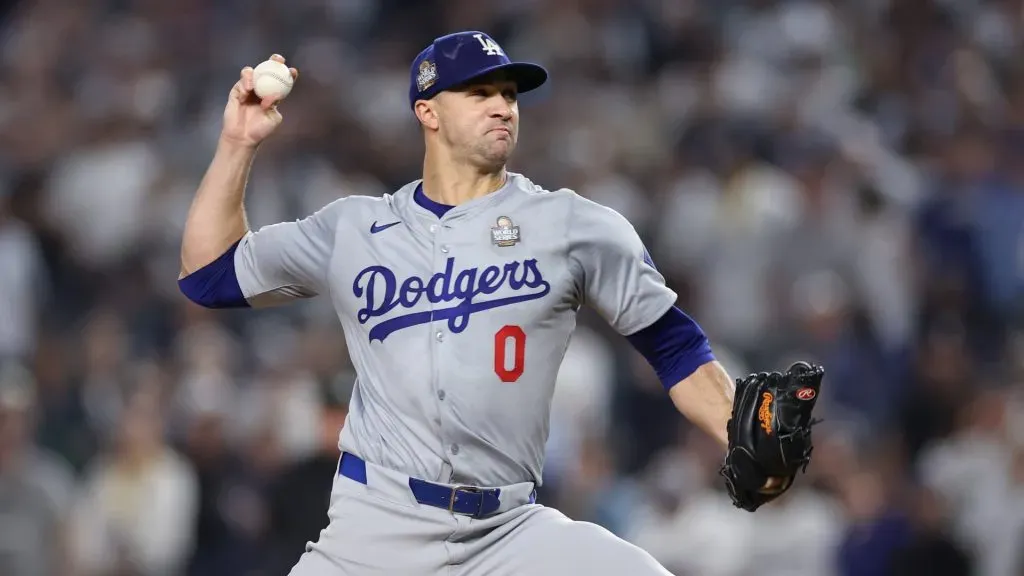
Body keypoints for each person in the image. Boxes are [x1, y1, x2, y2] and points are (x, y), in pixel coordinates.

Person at [178, 30, 771, 575]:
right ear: (427, 111)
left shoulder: (574, 226)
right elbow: (208, 274)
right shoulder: (354, 229)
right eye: (480, 92)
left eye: (509, 94)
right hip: (373, 532)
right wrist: (237, 142)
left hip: (509, 529)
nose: (503, 106)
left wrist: (739, 432)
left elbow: (674, 345)